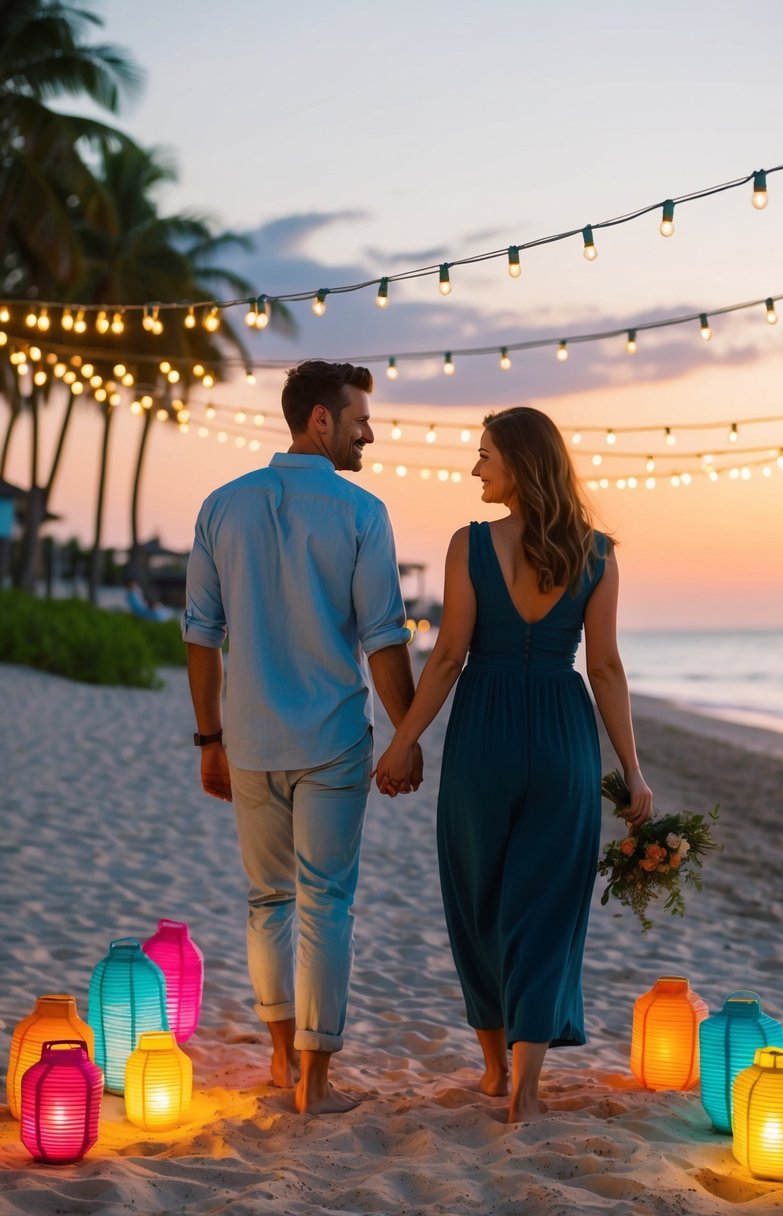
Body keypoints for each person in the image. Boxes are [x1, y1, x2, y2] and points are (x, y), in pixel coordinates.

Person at [374, 405, 652, 1123]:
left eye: (485, 455)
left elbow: (445, 657)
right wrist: (632, 770)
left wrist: (403, 741)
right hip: (562, 732)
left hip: (483, 734)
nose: (475, 468)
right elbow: (607, 669)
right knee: (546, 910)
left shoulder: (469, 546)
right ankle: (526, 1090)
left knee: (479, 898)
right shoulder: (597, 553)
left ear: (520, 464)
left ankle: (496, 1070)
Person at [183, 360, 421, 1115]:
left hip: (249, 739)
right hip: (332, 738)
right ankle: (315, 1084)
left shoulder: (222, 506)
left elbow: (200, 636)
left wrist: (208, 739)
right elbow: (384, 638)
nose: (369, 436)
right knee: (326, 903)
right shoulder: (361, 512)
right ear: (319, 418)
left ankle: (282, 1059)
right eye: (359, 423)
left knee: (266, 902)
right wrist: (406, 735)